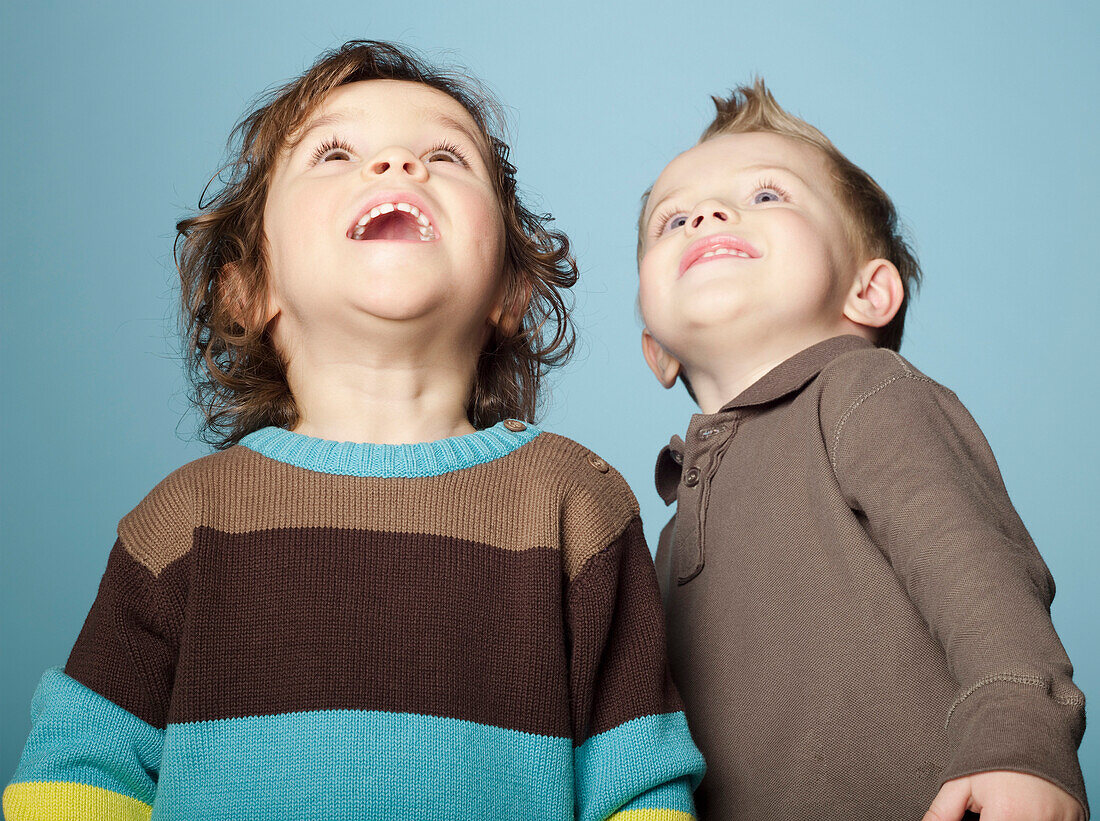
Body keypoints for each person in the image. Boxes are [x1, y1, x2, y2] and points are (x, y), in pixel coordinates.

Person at [4, 40, 704, 821]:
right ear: (249, 288)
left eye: (445, 153)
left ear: (511, 287)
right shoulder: (179, 525)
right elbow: (77, 775)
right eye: (336, 152)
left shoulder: (579, 507)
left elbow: (641, 789)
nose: (399, 165)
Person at [635, 78, 1087, 820]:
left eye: (767, 196)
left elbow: (977, 571)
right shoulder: (670, 530)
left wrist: (1018, 735)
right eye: (671, 218)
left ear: (869, 293)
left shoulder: (862, 392)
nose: (707, 215)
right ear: (656, 351)